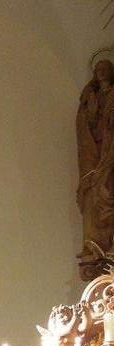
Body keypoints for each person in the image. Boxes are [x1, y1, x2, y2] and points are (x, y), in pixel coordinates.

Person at [76, 58, 114, 256]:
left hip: (109, 151)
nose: (101, 72)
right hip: (93, 151)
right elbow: (84, 123)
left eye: (105, 68)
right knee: (92, 194)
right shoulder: (90, 96)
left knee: (107, 188)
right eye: (98, 69)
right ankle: (94, 243)